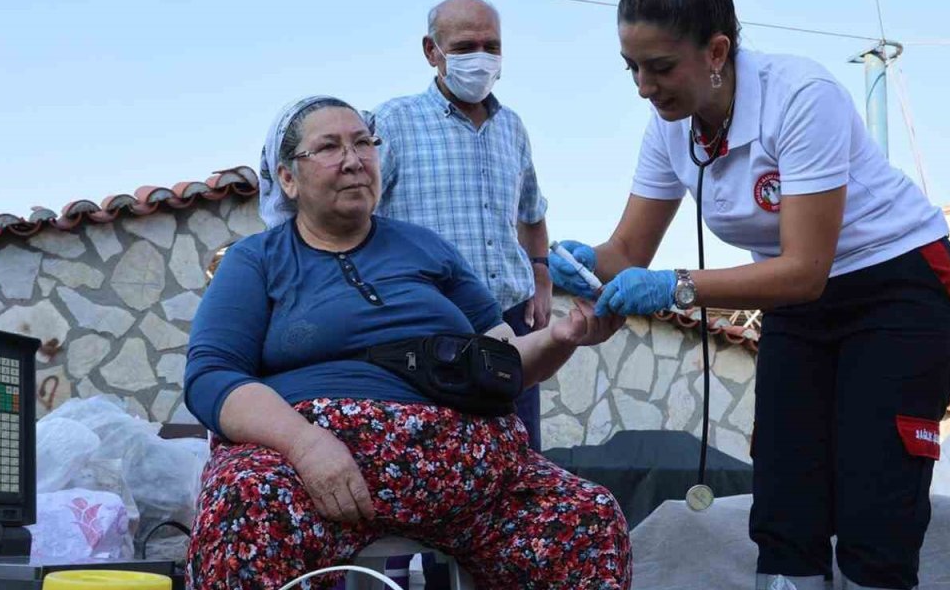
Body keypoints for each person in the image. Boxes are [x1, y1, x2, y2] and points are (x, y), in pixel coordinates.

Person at [549, 0, 950, 589]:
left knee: (875, 500)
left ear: (717, 52)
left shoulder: (800, 97)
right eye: (631, 67)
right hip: (796, 302)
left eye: (660, 67)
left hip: (896, 285)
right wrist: (582, 268)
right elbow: (627, 251)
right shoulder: (669, 128)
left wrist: (676, 287)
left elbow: (805, 270)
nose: (643, 86)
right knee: (785, 493)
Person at [183, 95, 632, 589]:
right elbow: (212, 376)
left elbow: (502, 362)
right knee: (242, 502)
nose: (354, 160)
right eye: (329, 147)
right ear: (288, 178)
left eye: (364, 143)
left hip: (469, 480)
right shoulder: (257, 260)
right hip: (314, 475)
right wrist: (306, 445)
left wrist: (562, 338)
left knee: (587, 514)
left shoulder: (426, 247)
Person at [374, 0, 551, 452]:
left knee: (518, 460)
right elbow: (357, 216)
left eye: (491, 46)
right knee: (439, 462)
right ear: (431, 51)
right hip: (429, 327)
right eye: (465, 47)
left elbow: (532, 213)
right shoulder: (393, 122)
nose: (481, 58)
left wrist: (541, 274)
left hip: (510, 326)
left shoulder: (512, 127)